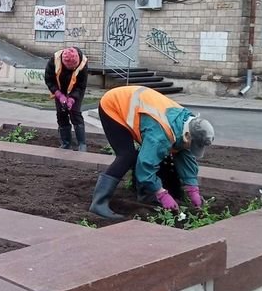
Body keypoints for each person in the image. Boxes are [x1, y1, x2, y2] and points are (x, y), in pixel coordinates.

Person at [90, 85, 215, 219]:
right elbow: (145, 167)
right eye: (192, 145)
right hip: (114, 105)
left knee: (164, 151)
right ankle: (99, 203)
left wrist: (193, 189)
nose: (191, 148)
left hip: (138, 106)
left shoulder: (189, 124)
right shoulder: (161, 136)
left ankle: (146, 196)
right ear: (187, 135)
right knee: (127, 156)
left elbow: (185, 154)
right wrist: (161, 193)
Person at [44, 46, 89, 151]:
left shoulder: (83, 63)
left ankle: (82, 144)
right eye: (70, 68)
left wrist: (72, 98)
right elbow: (49, 80)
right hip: (60, 90)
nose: (73, 69)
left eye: (74, 66)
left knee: (75, 113)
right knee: (61, 114)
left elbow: (81, 85)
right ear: (64, 63)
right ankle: (66, 143)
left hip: (76, 90)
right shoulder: (54, 60)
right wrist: (59, 95)